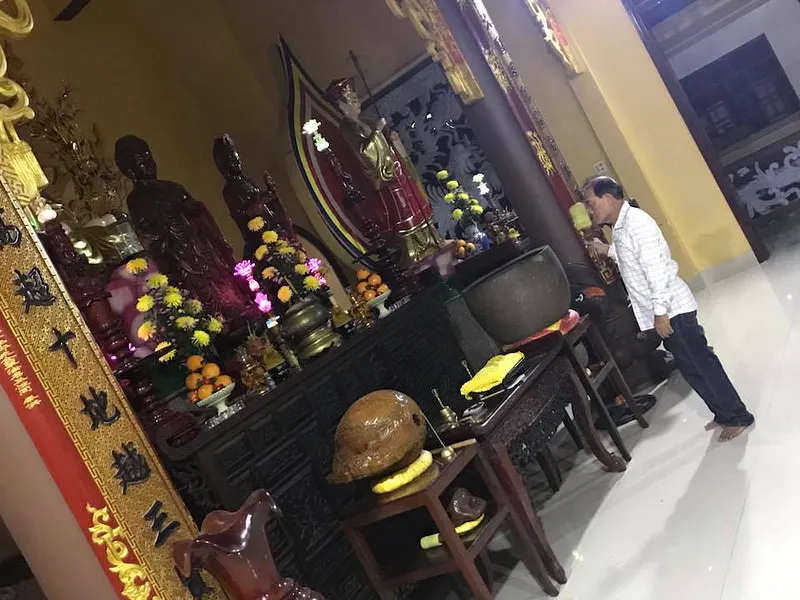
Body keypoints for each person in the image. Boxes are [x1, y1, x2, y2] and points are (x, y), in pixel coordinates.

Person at [583, 176, 754, 442]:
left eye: (590, 203)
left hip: (673, 311)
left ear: (607, 198)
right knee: (690, 367)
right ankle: (723, 412)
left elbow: (657, 271)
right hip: (665, 310)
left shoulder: (637, 223)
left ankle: (737, 416)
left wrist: (661, 313)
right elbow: (634, 259)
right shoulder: (622, 225)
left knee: (701, 363)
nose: (589, 210)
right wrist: (609, 250)